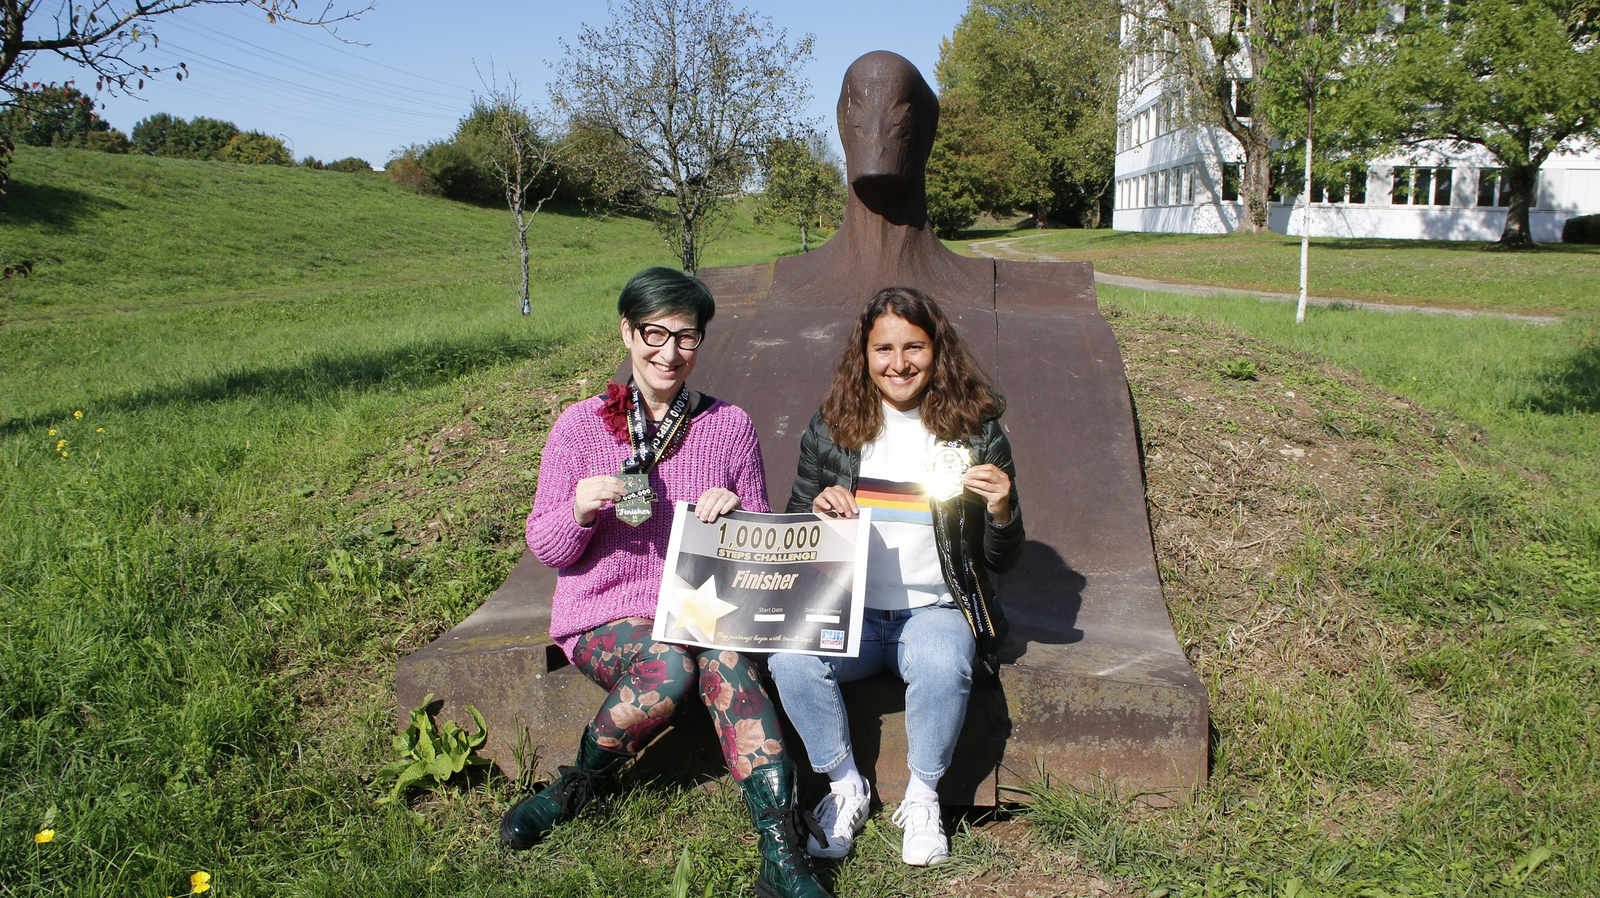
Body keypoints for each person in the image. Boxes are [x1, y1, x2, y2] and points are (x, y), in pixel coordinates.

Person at [504, 267, 831, 898]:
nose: (669, 352)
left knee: (728, 659)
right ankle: (577, 788)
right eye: (655, 333)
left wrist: (735, 510)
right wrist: (578, 508)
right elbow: (548, 548)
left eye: (687, 337)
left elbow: (762, 545)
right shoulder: (579, 427)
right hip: (606, 612)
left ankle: (782, 854)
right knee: (668, 664)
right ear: (627, 332)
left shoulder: (729, 425)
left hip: (705, 609)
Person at [768, 286, 1024, 867]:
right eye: (883, 349)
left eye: (915, 347)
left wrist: (1004, 509)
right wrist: (817, 512)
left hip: (933, 609)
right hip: (850, 614)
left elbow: (1002, 558)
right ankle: (844, 787)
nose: (899, 363)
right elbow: (793, 526)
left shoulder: (976, 430)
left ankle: (924, 796)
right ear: (864, 354)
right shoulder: (832, 426)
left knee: (941, 660)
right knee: (788, 658)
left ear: (939, 350)